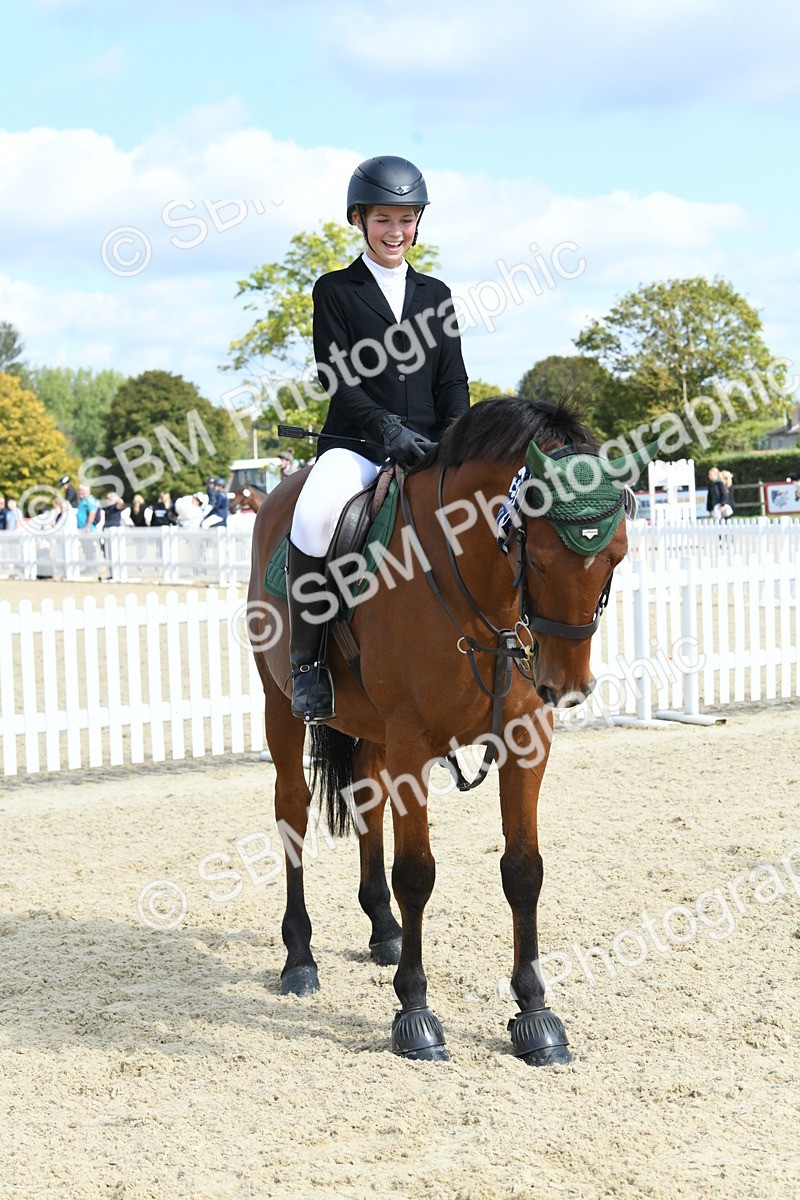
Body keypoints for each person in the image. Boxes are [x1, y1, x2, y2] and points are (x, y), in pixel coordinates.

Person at [286, 155, 469, 723]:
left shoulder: (435, 294)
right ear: (359, 220)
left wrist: (457, 440)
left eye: (407, 219)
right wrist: (386, 428)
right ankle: (308, 664)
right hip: (358, 448)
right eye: (384, 220)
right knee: (313, 516)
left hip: (431, 447)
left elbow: (452, 379)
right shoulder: (336, 290)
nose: (396, 232)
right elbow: (336, 377)